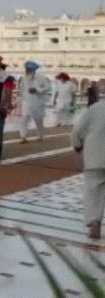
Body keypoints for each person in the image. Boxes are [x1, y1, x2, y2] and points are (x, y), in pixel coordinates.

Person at [72, 100, 105, 239]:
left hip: (95, 155)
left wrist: (77, 145)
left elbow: (77, 131)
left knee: (92, 189)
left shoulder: (96, 108)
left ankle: (94, 224)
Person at [18, 61, 51, 143]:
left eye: (28, 69)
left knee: (38, 120)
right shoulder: (23, 78)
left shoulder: (41, 77)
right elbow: (22, 91)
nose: (26, 70)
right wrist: (18, 101)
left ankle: (40, 136)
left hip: (37, 103)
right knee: (24, 120)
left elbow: (48, 88)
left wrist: (37, 90)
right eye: (26, 69)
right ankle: (23, 137)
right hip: (26, 103)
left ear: (33, 70)